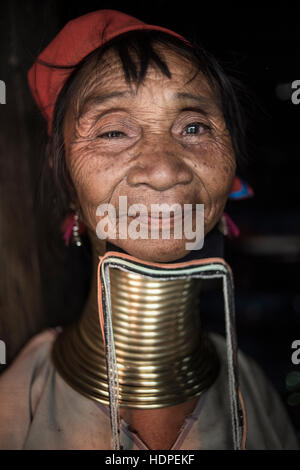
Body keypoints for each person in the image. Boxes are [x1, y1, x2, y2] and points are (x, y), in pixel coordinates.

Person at [0, 9, 298, 450]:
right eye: (114, 132)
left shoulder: (252, 390)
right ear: (64, 178)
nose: (163, 170)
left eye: (194, 127)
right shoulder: (18, 404)